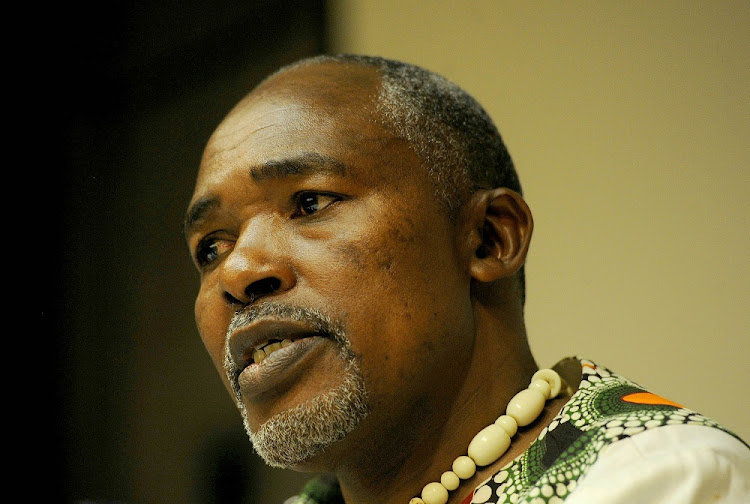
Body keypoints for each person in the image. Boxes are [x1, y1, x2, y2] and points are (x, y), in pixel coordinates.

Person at [184, 54, 748, 504]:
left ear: (488, 239)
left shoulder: (666, 481)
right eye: (210, 247)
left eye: (309, 203)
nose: (236, 272)